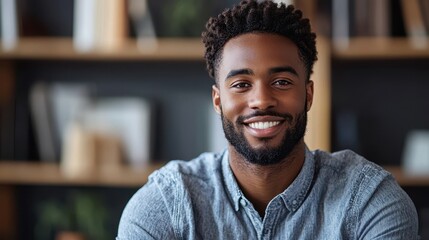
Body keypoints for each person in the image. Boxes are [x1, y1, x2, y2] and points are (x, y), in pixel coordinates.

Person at [117, 0, 419, 239]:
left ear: (308, 94)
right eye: (241, 84)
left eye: (282, 82)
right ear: (218, 100)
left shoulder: (368, 200)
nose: (261, 100)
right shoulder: (166, 204)